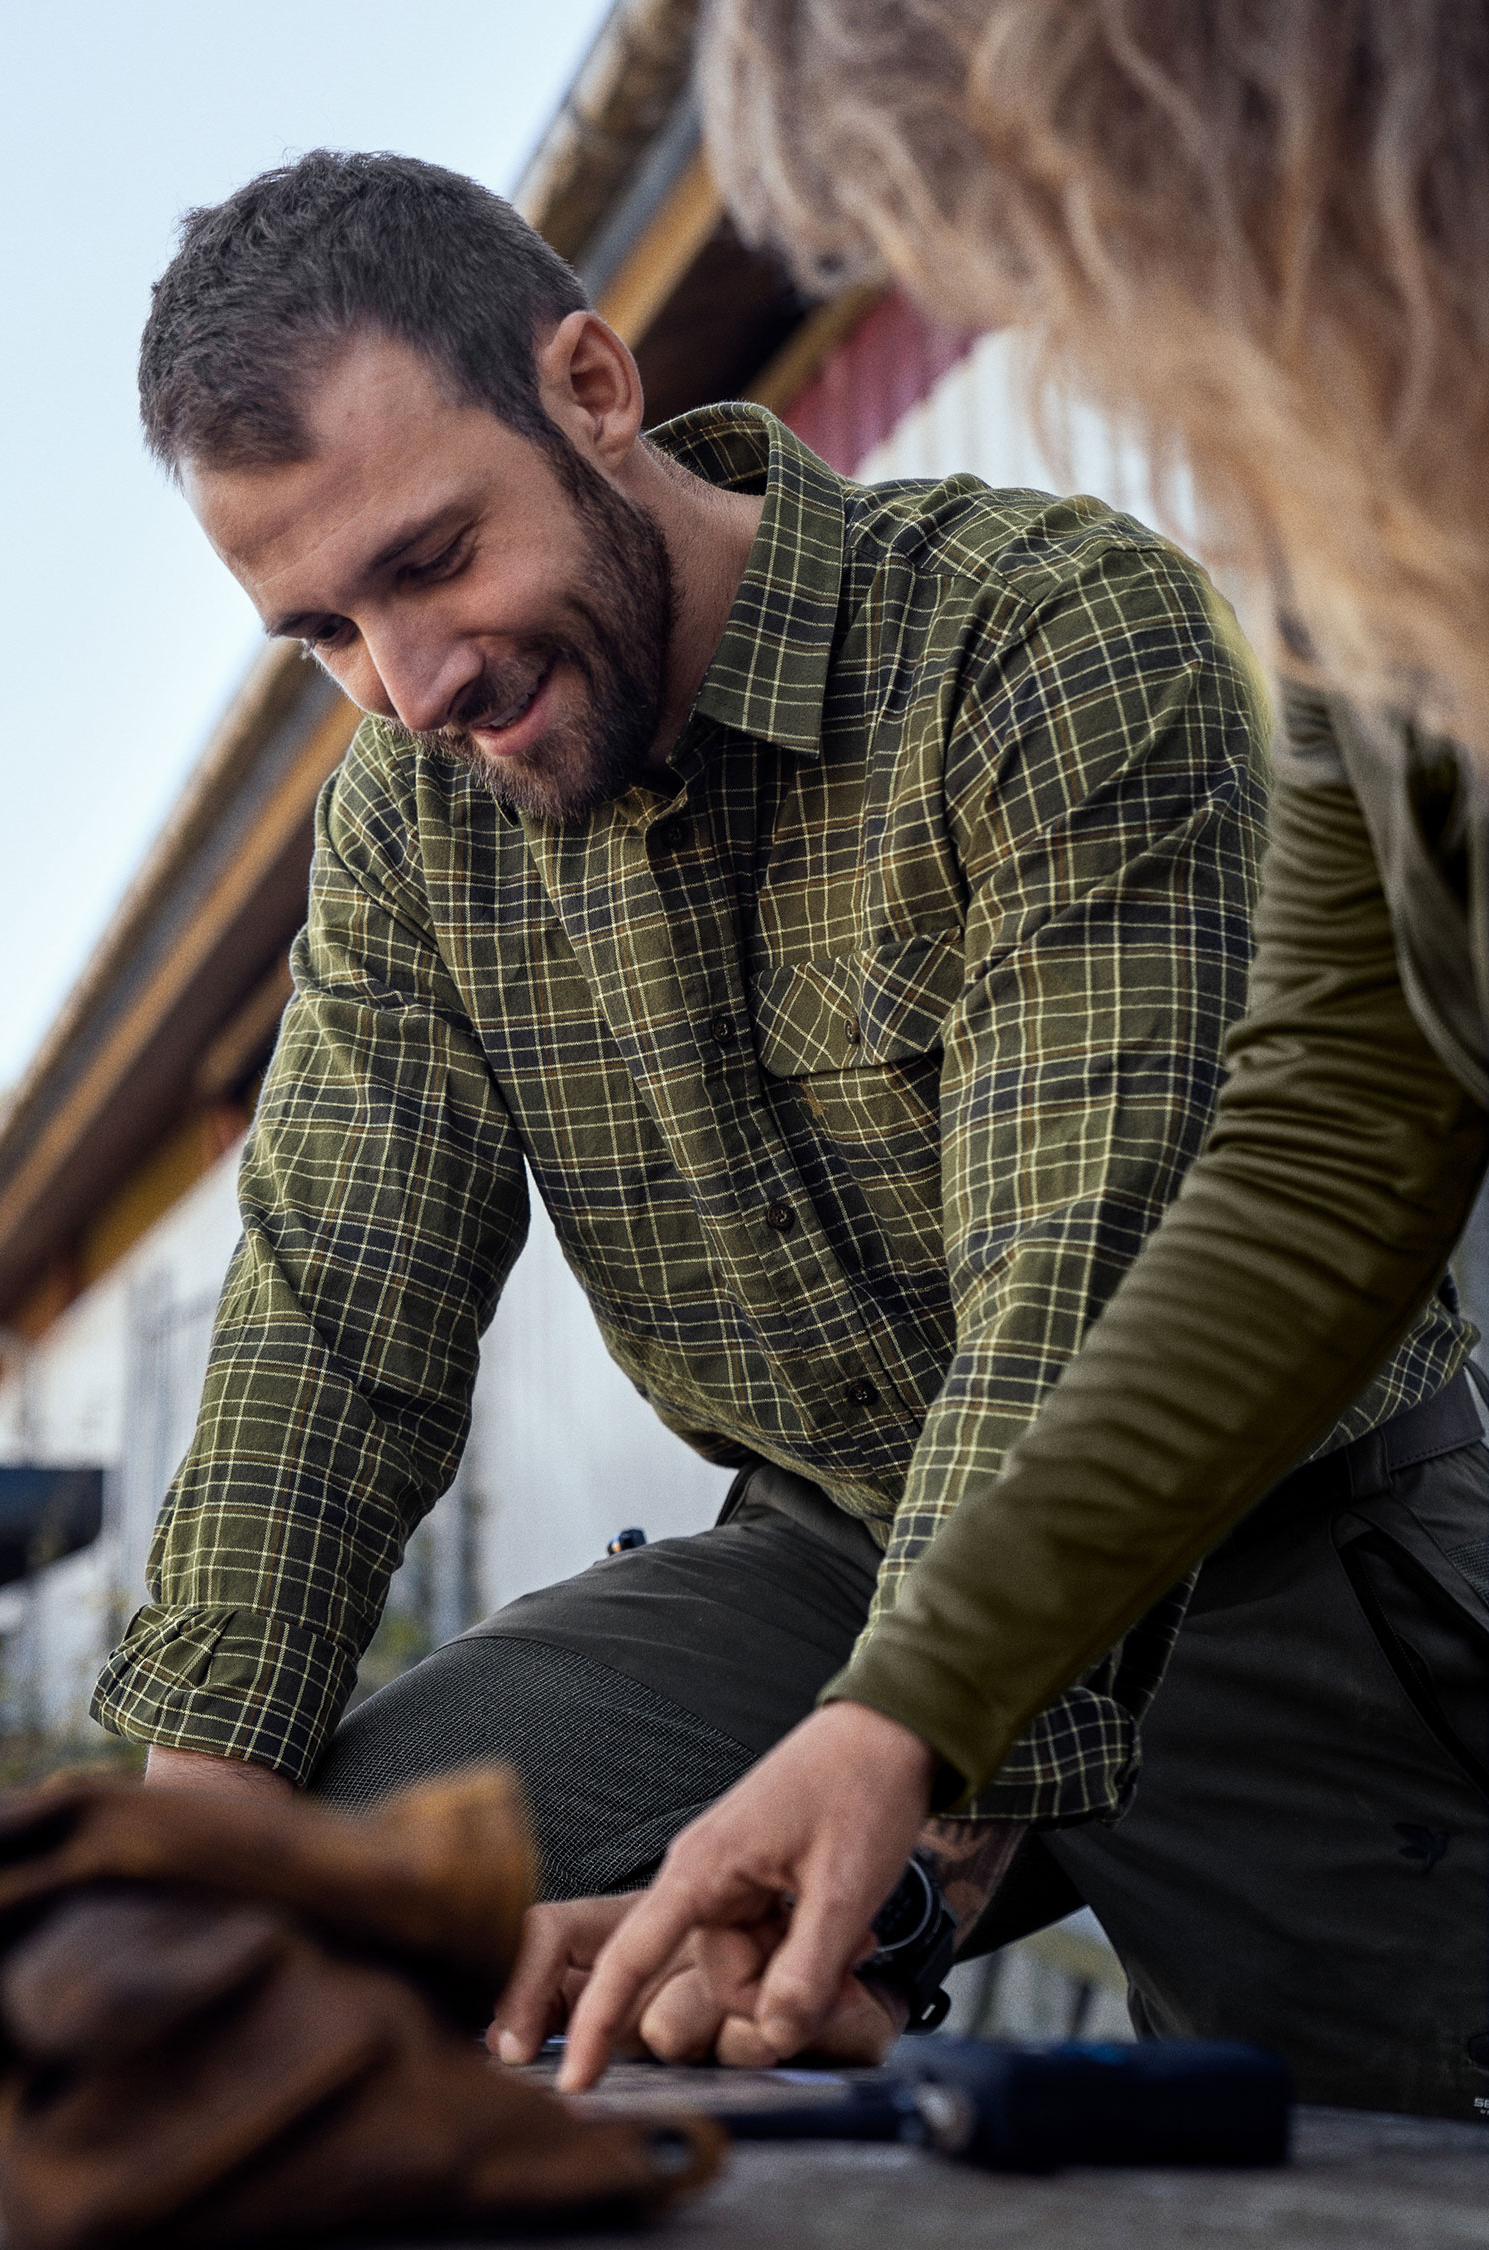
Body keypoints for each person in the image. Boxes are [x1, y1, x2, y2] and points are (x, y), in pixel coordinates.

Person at [91, 149, 1476, 2103]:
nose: (412, 685)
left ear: (591, 389)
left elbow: (1077, 1281)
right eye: (322, 628)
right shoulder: (409, 823)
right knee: (331, 1909)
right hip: (823, 1552)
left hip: (1266, 1556)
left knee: (1360, 2169)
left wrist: (897, 1862)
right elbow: (333, 1323)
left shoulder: (1041, 637)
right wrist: (193, 1835)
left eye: (431, 559)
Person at [553, 0, 1489, 2121]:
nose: (1096, 347)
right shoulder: (1359, 571)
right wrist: (899, 1722)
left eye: (1081, 242)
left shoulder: (1054, 630)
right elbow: (1329, 1141)